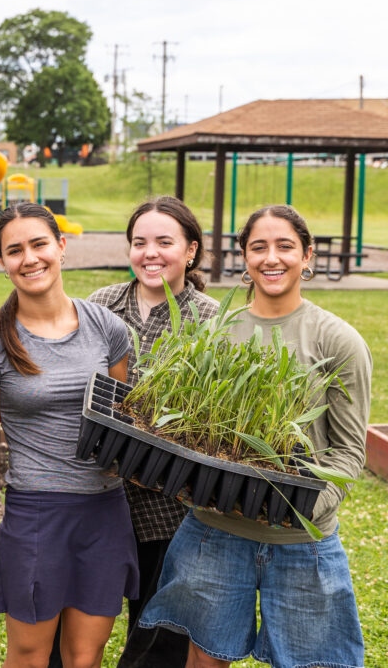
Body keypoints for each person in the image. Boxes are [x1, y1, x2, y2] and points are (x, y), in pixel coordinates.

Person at [139, 204, 371, 668]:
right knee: (205, 659)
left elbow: (347, 453)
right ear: (243, 258)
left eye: (285, 246)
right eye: (258, 247)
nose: (272, 258)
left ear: (307, 256)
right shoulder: (216, 334)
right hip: (215, 532)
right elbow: (190, 431)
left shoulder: (337, 340)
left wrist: (300, 509)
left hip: (301, 544)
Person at [0, 202, 138, 668]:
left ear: (61, 247)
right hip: (36, 515)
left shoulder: (108, 328)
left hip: (104, 511)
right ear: (2, 262)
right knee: (28, 655)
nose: (29, 258)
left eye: (39, 243)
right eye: (14, 250)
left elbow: (125, 421)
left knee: (86, 656)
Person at [82, 196, 219, 668]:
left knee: (157, 637)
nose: (150, 253)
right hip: (97, 494)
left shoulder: (210, 318)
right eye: (139, 242)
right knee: (77, 626)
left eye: (165, 241)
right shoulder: (101, 305)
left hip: (170, 503)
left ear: (191, 251)